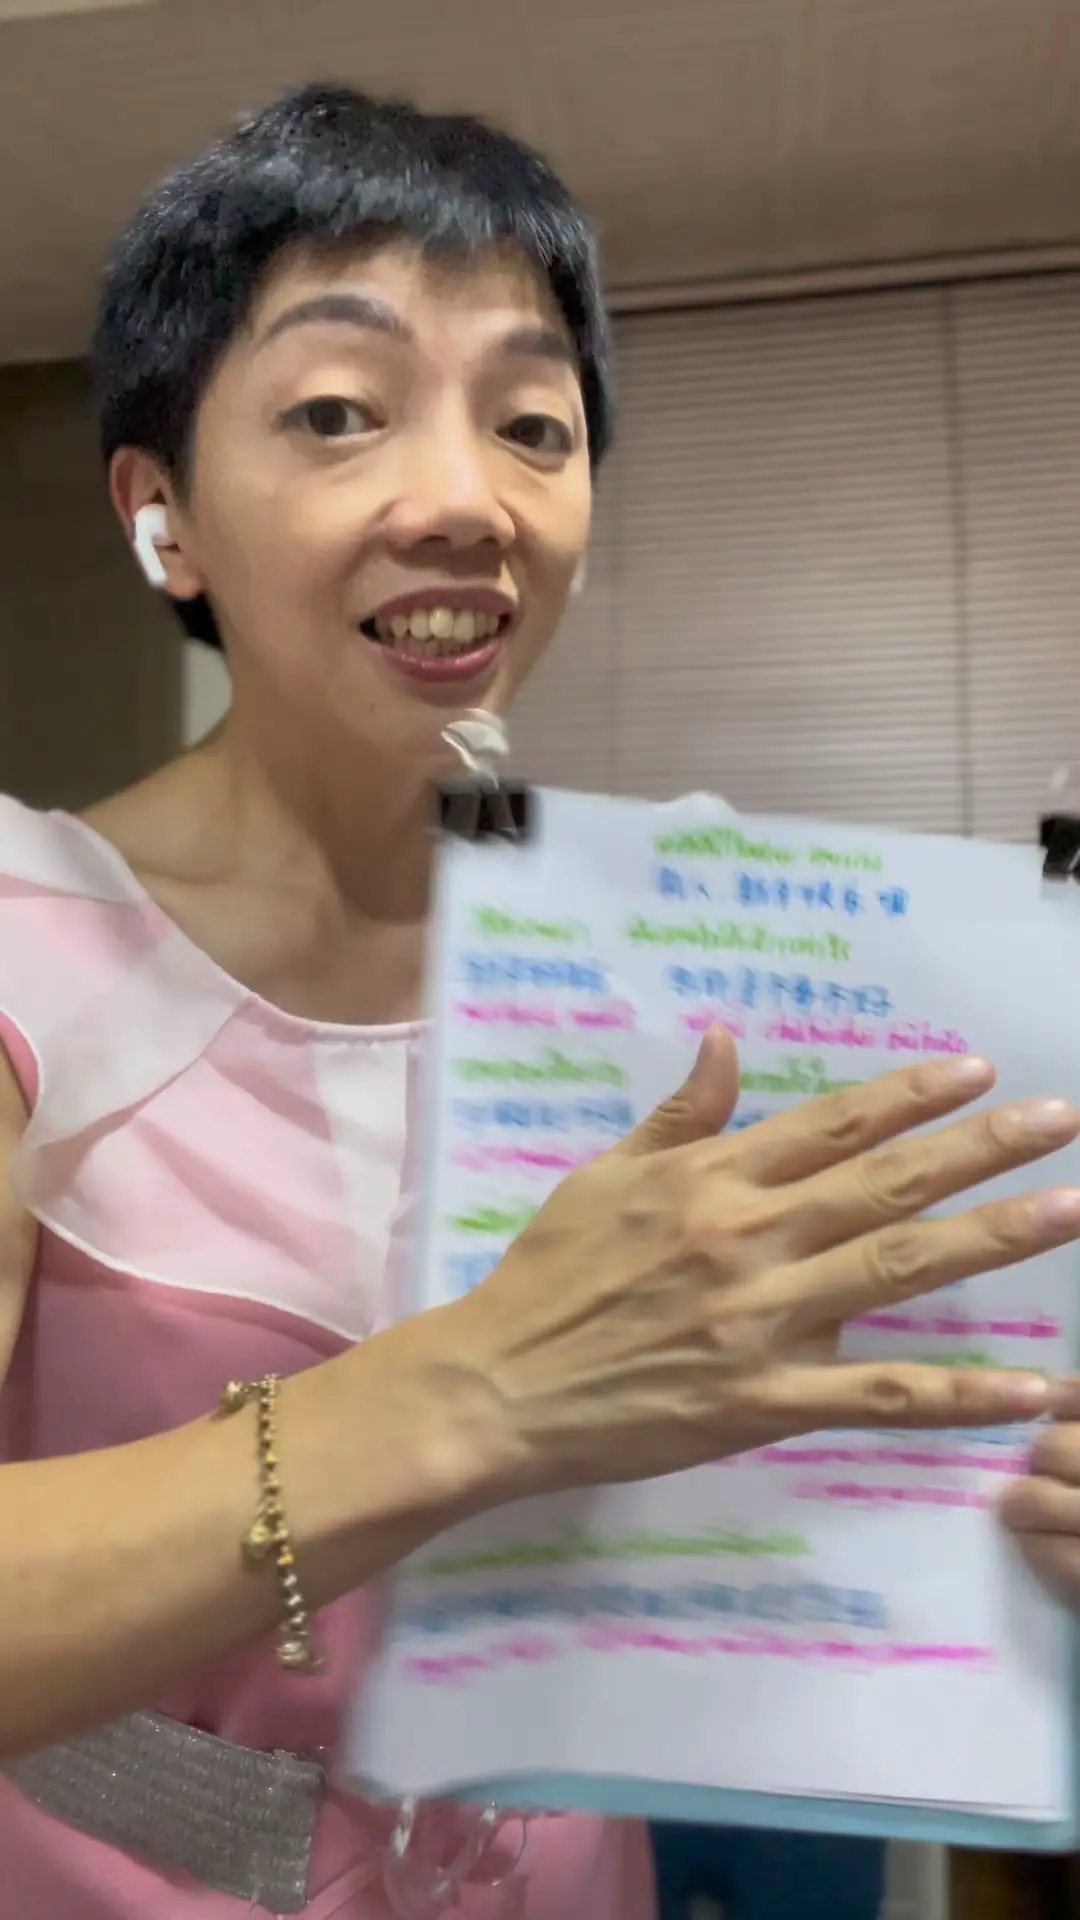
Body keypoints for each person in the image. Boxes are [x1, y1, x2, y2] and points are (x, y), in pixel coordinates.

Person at [0, 81, 1078, 1920]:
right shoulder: (28, 942)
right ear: (161, 511)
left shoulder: (691, 955)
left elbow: (794, 1468)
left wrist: (1008, 1506)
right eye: (338, 412)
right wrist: (473, 1392)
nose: (465, 501)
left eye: (532, 426)